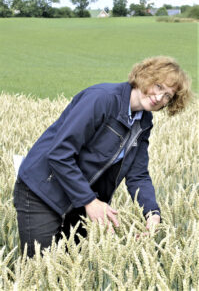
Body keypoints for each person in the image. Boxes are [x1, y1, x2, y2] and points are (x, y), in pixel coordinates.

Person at [13, 56, 191, 257]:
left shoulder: (144, 122)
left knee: (72, 269)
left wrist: (152, 213)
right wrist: (90, 201)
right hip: (43, 191)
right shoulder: (102, 98)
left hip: (79, 200)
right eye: (158, 86)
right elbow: (59, 153)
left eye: (168, 96)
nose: (159, 97)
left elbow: (138, 174)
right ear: (144, 76)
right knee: (39, 269)